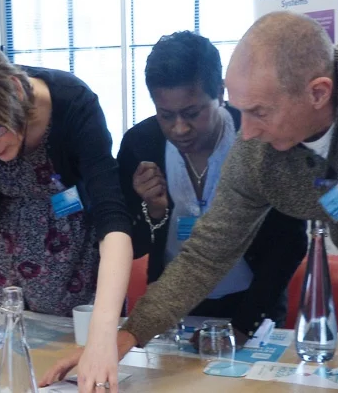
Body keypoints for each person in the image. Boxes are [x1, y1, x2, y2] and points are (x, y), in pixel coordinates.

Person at [44, 11, 338, 393]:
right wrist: (125, 336)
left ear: (318, 92)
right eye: (241, 109)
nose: (245, 133)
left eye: (259, 113)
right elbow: (209, 249)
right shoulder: (260, 146)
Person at [0, 39, 133, 391]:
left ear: (15, 90)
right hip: (10, 255)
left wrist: (102, 335)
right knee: (11, 370)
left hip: (82, 256)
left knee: (85, 370)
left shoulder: (73, 102)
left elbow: (114, 219)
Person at [116, 31, 307, 335]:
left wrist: (246, 325)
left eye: (192, 113)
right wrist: (153, 212)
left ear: (220, 92)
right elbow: (133, 245)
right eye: (166, 115)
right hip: (172, 306)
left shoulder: (257, 137)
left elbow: (291, 240)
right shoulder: (141, 145)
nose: (179, 128)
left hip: (255, 302)